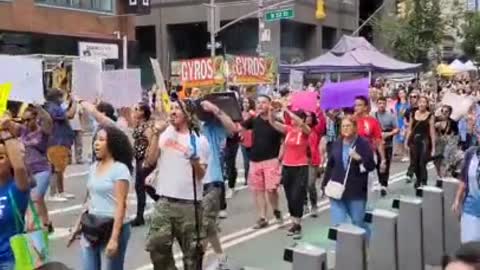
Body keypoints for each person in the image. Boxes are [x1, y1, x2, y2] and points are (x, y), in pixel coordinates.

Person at [144, 101, 209, 270]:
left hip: (189, 205)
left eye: (177, 108)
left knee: (193, 255)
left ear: (188, 114)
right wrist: (155, 135)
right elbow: (150, 160)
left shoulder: (199, 141)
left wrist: (194, 162)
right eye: (171, 108)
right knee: (157, 246)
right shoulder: (165, 134)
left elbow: (201, 175)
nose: (172, 112)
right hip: (164, 201)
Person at [78, 125, 133, 270]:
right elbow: (89, 198)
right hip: (91, 225)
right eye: (95, 139)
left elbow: (121, 204)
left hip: (112, 226)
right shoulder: (93, 167)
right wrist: (78, 225)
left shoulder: (120, 169)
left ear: (112, 144)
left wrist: (114, 238)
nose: (96, 143)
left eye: (101, 140)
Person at [322, 116, 375, 234]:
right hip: (336, 189)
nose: (345, 129)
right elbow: (330, 165)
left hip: (356, 191)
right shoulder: (337, 143)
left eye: (348, 126)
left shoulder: (363, 144)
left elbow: (371, 166)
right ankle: (341, 250)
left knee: (358, 222)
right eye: (343, 126)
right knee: (339, 224)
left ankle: (365, 245)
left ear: (355, 128)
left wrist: (359, 158)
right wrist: (324, 184)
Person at [5, 105, 54, 232]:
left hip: (42, 169)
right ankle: (47, 222)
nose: (26, 123)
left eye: (29, 119)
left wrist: (40, 108)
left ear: (36, 118)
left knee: (36, 197)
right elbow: (8, 125)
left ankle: (30, 226)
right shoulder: (23, 130)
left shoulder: (43, 133)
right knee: (36, 199)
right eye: (24, 120)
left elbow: (48, 121)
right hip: (28, 172)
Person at [242, 95, 283, 229]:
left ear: (270, 105)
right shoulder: (253, 120)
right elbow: (239, 127)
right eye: (258, 103)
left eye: (264, 102)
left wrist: (280, 157)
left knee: (271, 190)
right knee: (258, 191)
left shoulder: (276, 120)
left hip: (271, 160)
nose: (260, 105)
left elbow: (285, 139)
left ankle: (276, 211)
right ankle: (262, 217)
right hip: (255, 161)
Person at [271, 107, 311, 238]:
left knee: (297, 195)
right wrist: (271, 111)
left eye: (296, 118)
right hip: (287, 167)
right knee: (289, 195)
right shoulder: (288, 130)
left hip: (300, 167)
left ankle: (298, 224)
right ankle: (294, 222)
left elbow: (302, 125)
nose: (292, 121)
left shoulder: (305, 131)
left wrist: (288, 111)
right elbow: (273, 123)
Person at [0, 124, 30, 270]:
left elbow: (19, 167)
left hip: (11, 261)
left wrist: (7, 135)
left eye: (0, 157)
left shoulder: (17, 189)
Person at [45, 89, 76, 202]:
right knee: (58, 169)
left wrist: (70, 103)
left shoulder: (52, 107)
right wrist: (75, 103)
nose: (62, 99)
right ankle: (56, 193)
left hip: (58, 141)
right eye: (61, 97)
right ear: (57, 97)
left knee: (56, 168)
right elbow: (70, 115)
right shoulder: (53, 108)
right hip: (58, 141)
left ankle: (58, 192)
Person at [131, 103, 157, 227]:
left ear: (142, 112)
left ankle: (140, 216)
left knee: (142, 186)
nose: (134, 111)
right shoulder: (139, 124)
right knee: (144, 186)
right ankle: (162, 203)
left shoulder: (147, 127)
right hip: (139, 158)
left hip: (144, 159)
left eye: (136, 109)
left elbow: (151, 141)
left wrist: (148, 156)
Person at [405, 96, 436, 188]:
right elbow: (409, 129)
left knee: (422, 162)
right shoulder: (413, 113)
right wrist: (406, 141)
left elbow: (432, 132)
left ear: (427, 104)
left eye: (424, 102)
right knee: (414, 162)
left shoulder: (430, 115)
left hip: (425, 141)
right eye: (420, 102)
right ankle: (418, 180)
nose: (422, 104)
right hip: (414, 140)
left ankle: (424, 181)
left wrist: (433, 148)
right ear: (417, 103)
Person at [452, 145, 480, 243]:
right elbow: (464, 180)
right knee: (469, 250)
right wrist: (457, 200)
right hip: (471, 210)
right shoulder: (471, 153)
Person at [374, 97, 399, 197]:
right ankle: (380, 182)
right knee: (378, 163)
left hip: (388, 143)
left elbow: (397, 129)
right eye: (379, 103)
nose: (381, 105)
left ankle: (384, 184)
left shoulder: (391, 116)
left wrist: (388, 134)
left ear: (386, 104)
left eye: (383, 103)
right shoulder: (373, 115)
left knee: (386, 163)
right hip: (376, 143)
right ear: (377, 104)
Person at [433, 105, 459, 179]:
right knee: (436, 159)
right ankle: (439, 173)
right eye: (442, 111)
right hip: (438, 142)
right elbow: (431, 131)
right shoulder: (436, 120)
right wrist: (435, 127)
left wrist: (450, 137)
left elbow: (456, 134)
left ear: (450, 113)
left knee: (446, 157)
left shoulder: (453, 122)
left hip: (449, 142)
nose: (444, 113)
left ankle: (446, 171)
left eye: (446, 111)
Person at [394, 89, 410, 161]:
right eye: (400, 93)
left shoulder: (408, 104)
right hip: (399, 123)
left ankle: (407, 154)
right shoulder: (397, 104)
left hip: (406, 123)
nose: (401, 94)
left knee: (406, 139)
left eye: (402, 93)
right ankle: (403, 154)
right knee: (400, 139)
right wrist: (396, 123)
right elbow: (396, 114)